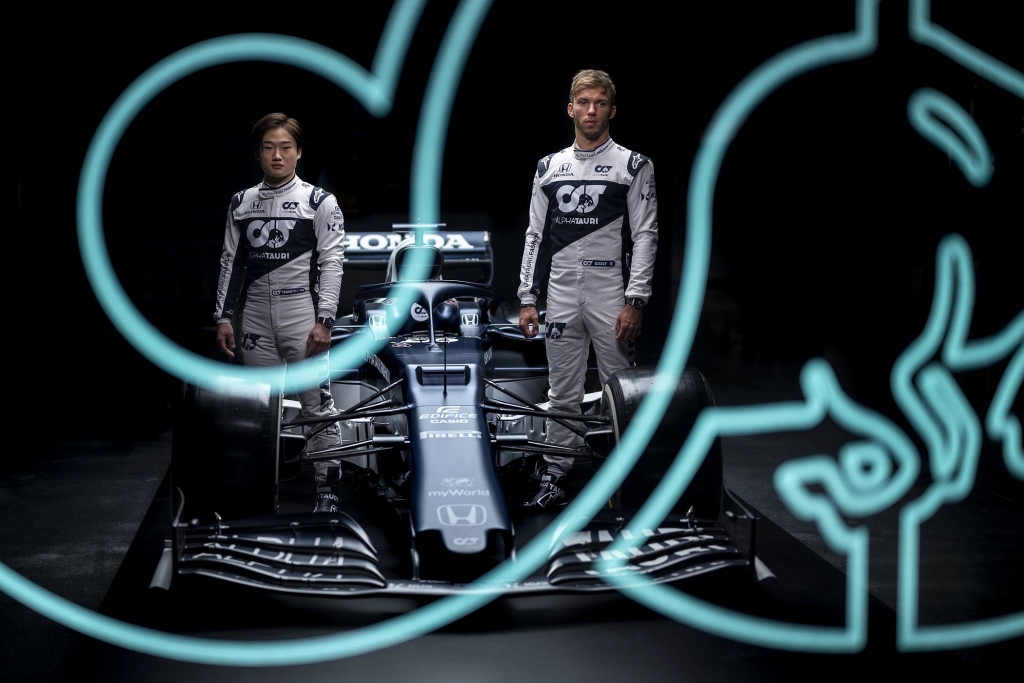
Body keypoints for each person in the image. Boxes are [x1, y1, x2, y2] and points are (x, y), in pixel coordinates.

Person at [517, 69, 659, 512]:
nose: (591, 110)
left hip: (610, 292)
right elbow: (535, 236)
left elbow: (646, 235)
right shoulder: (548, 167)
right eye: (584, 102)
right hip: (560, 292)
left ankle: (624, 478)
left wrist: (635, 300)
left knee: (621, 390)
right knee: (562, 391)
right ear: (571, 109)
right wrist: (527, 297)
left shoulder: (633, 165)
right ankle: (555, 474)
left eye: (600, 103)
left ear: (612, 110)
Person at [213, 112, 347, 514]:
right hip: (255, 315)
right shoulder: (241, 202)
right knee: (258, 411)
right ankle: (261, 492)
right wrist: (223, 317)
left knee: (317, 405)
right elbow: (230, 262)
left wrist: (325, 321)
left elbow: (333, 263)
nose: (277, 155)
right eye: (269, 147)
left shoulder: (320, 201)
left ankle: (327, 491)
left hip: (302, 314)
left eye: (285, 147)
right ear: (257, 153)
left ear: (299, 152)